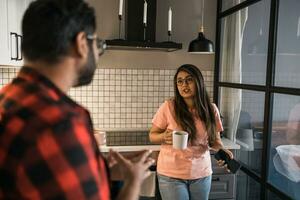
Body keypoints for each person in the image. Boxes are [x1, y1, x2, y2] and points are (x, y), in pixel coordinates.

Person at [0, 0, 154, 199]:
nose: (97, 53)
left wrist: (98, 165)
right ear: (81, 43)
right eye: (98, 44)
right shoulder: (62, 122)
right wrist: (133, 181)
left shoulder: (8, 98)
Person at [149, 64, 233, 200]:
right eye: (180, 81)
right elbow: (152, 136)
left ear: (198, 82)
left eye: (189, 80)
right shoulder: (168, 106)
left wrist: (223, 151)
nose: (184, 85)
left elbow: (215, 141)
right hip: (171, 174)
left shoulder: (211, 109)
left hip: (201, 173)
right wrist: (164, 137)